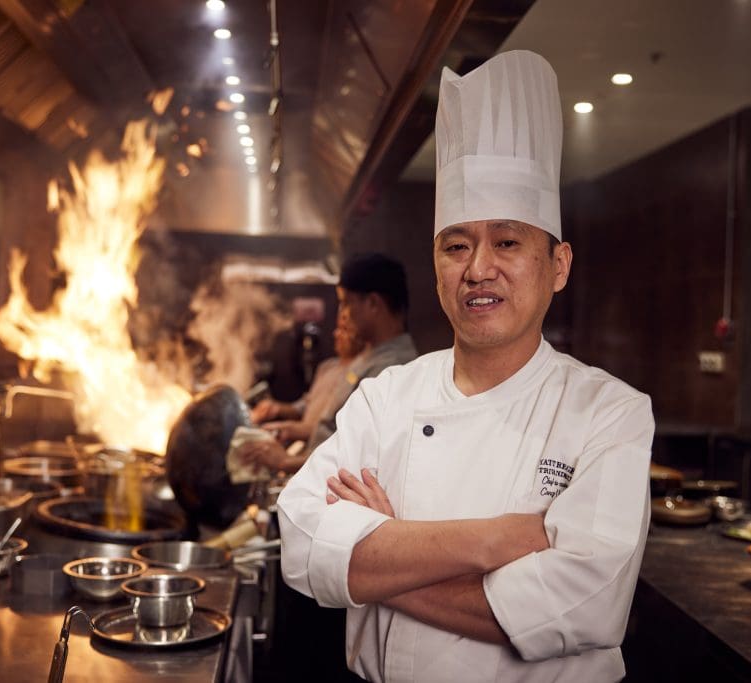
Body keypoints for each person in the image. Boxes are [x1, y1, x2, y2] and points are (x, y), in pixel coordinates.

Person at [276, 50, 654, 683]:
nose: (479, 268)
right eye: (457, 245)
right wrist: (493, 540)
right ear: (436, 266)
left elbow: (582, 606)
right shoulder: (386, 396)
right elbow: (302, 543)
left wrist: (382, 556)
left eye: (506, 241)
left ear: (557, 265)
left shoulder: (609, 412)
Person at [238, 252, 418, 475]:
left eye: (346, 303)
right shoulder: (367, 357)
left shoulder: (394, 368)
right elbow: (331, 429)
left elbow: (360, 461)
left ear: (373, 303)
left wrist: (284, 462)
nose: (342, 314)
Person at [251, 313, 367, 444]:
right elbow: (306, 404)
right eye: (337, 329)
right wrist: (277, 408)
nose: (336, 334)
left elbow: (333, 427)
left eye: (344, 331)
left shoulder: (360, 373)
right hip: (305, 444)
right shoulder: (327, 367)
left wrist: (287, 429)